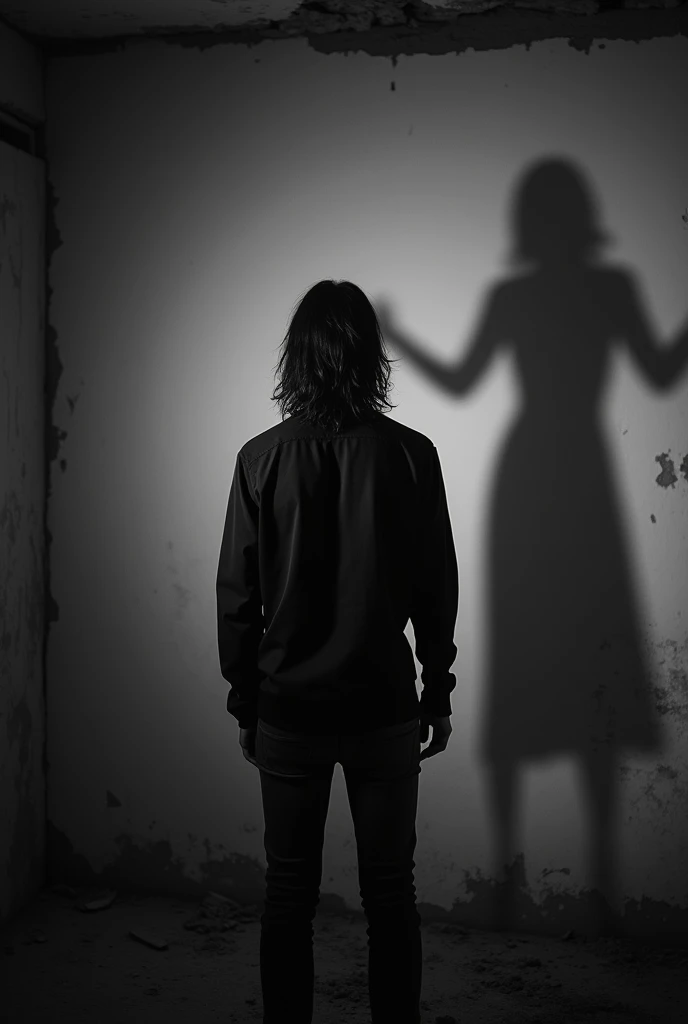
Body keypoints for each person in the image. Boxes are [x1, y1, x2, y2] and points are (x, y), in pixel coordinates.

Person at [215, 278, 458, 1024]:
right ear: (371, 356)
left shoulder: (260, 459)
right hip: (383, 705)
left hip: (289, 709)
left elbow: (236, 598)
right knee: (392, 896)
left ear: (298, 357)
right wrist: (436, 691)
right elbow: (436, 589)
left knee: (287, 894)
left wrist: (247, 704)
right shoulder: (412, 455)